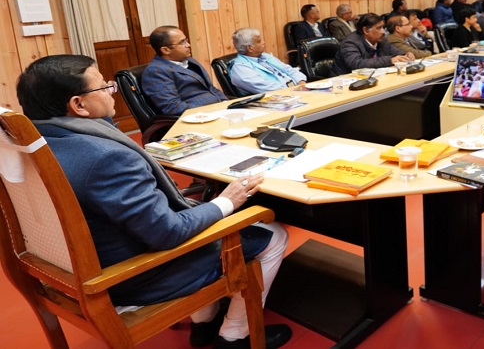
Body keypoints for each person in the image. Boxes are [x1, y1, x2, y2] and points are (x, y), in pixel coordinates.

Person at [16, 55, 292, 349]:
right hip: (129, 277)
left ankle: (204, 321)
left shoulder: (30, 146)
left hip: (73, 270)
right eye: (104, 87)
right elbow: (169, 232)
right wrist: (226, 201)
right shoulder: (106, 157)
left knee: (200, 213)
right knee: (272, 234)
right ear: (78, 105)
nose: (112, 91)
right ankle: (235, 336)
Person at [142, 25, 228, 116]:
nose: (188, 45)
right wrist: (212, 111)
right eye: (182, 42)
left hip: (218, 110)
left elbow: (210, 88)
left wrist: (225, 102)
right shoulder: (156, 72)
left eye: (186, 40)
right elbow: (173, 107)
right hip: (197, 116)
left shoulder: (190, 60)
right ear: (166, 50)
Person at [229, 27, 307, 95]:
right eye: (259, 41)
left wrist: (301, 82)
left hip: (296, 91)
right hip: (278, 99)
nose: (264, 42)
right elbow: (269, 88)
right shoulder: (241, 68)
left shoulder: (265, 56)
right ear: (250, 48)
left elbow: (289, 69)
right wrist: (296, 90)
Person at [331, 13, 415, 75]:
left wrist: (406, 55)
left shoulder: (382, 40)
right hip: (344, 84)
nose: (383, 32)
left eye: (383, 27)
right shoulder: (350, 43)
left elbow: (396, 53)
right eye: (378, 28)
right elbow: (357, 64)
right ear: (366, 30)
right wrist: (389, 60)